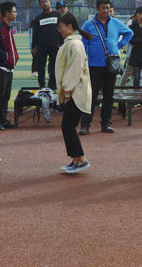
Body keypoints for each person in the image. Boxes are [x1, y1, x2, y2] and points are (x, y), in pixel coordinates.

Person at [80, 0, 133, 134]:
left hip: (111, 65)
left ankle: (106, 124)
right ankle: (85, 125)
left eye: (108, 8)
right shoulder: (88, 25)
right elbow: (83, 44)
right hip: (94, 65)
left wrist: (118, 45)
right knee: (91, 96)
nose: (106, 11)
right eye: (103, 8)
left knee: (109, 96)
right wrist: (82, 60)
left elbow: (129, 33)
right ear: (97, 9)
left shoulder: (115, 22)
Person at [56, 12, 93, 174]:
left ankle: (81, 159)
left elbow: (74, 70)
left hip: (76, 92)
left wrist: (68, 90)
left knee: (68, 126)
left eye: (61, 27)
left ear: (70, 27)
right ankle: (76, 159)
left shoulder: (75, 45)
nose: (60, 31)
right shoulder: (72, 43)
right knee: (68, 126)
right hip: (74, 90)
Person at [0, 1, 19, 131]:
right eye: (14, 11)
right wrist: (6, 58)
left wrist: (14, 59)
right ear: (7, 13)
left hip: (9, 68)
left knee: (6, 96)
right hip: (1, 68)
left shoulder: (9, 28)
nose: (16, 14)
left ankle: (3, 119)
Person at [32, 0, 62, 90]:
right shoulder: (38, 18)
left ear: (50, 2)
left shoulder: (58, 15)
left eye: (46, 1)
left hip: (55, 46)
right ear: (40, 4)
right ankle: (42, 86)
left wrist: (62, 42)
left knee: (54, 67)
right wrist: (33, 47)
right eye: (42, 2)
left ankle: (52, 86)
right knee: (41, 67)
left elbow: (62, 29)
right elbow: (35, 33)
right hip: (42, 46)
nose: (44, 3)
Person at [128, 7, 142, 88]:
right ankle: (135, 95)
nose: (141, 16)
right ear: (136, 15)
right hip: (136, 55)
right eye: (139, 13)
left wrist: (138, 41)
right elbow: (131, 41)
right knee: (136, 78)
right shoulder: (131, 27)